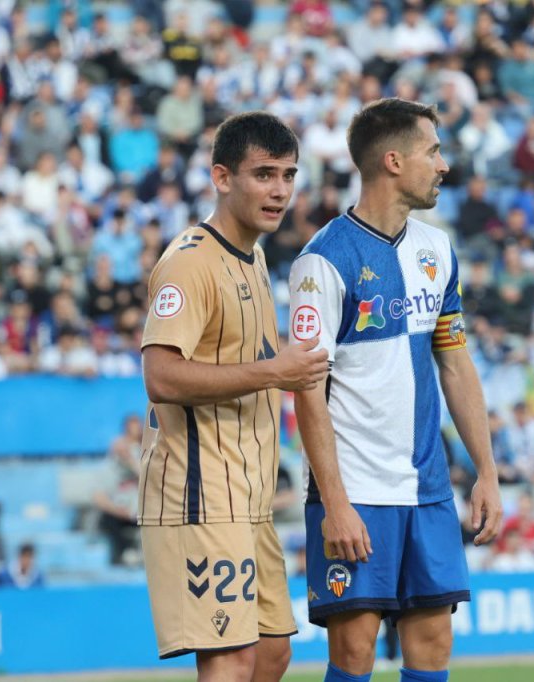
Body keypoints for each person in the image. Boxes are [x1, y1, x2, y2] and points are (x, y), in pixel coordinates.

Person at [288, 99, 502, 682]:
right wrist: (335, 503)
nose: (443, 165)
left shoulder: (437, 249)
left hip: (427, 488)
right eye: (433, 151)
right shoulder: (322, 261)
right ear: (393, 161)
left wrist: (486, 471)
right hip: (356, 490)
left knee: (433, 644)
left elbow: (455, 363)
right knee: (355, 651)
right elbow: (307, 391)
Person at [138, 112, 329, 682]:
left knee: (272, 653)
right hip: (199, 489)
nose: (279, 190)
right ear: (222, 177)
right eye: (263, 174)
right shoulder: (190, 262)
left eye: (288, 175)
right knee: (232, 659)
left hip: (249, 492)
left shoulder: (254, 255)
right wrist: (274, 371)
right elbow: (161, 376)